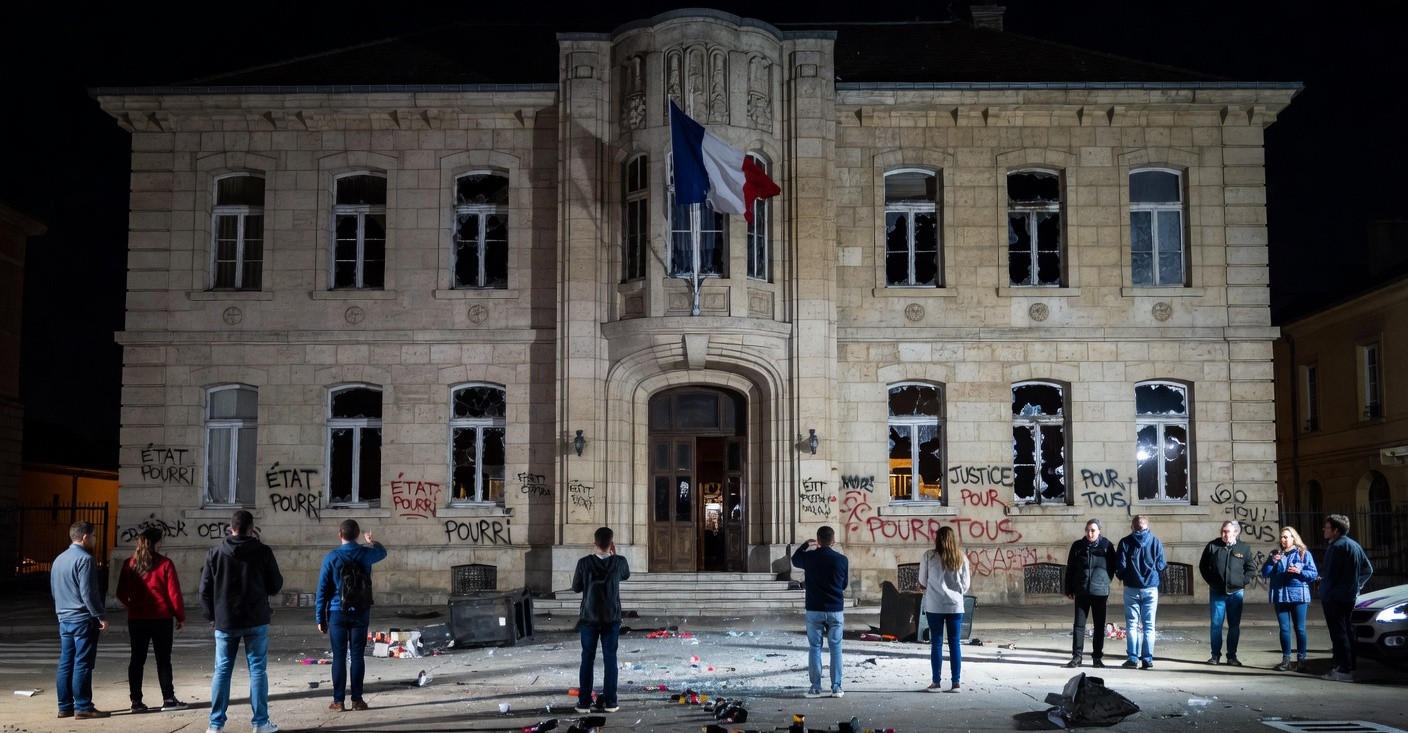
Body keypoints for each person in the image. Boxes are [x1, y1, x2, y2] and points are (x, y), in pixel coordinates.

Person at [199, 510, 284, 733]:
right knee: (257, 670)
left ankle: (216, 725)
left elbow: (204, 591)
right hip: (255, 617)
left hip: (225, 620)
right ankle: (260, 722)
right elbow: (275, 585)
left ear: (231, 527)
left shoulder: (215, 553)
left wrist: (213, 616)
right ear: (251, 528)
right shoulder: (263, 551)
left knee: (222, 671)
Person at [315, 519, 387, 712]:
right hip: (361, 612)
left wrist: (320, 618)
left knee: (338, 657)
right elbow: (383, 552)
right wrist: (371, 541)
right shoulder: (366, 553)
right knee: (357, 656)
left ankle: (338, 701)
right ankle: (357, 700)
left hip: (337, 612)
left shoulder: (331, 558)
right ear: (357, 535)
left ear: (340, 535)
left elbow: (322, 590)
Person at [116, 526, 189, 712]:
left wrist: (132, 605)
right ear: (157, 542)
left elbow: (120, 592)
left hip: (137, 619)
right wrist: (180, 616)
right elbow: (174, 594)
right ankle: (168, 699)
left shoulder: (129, 564)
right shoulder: (165, 564)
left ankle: (136, 701)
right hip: (161, 618)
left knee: (137, 660)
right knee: (163, 659)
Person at [51, 521, 110, 719]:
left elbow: (54, 590)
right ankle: (83, 706)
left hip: (64, 618)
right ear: (84, 537)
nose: (94, 540)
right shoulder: (85, 559)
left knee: (66, 661)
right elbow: (89, 593)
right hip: (83, 618)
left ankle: (64, 705)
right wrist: (100, 615)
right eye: (93, 536)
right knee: (83, 662)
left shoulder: (59, 559)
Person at [571, 526, 630, 714]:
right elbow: (625, 575)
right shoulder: (619, 562)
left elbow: (576, 587)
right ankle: (611, 702)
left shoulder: (584, 563)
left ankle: (584, 702)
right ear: (611, 544)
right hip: (611, 617)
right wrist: (615, 554)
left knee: (587, 659)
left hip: (589, 617)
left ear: (594, 542)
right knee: (610, 659)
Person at [792, 525, 849, 698]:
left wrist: (804, 545)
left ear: (818, 541)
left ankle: (815, 686)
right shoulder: (842, 559)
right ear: (832, 541)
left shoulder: (809, 557)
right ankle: (836, 687)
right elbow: (844, 585)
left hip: (814, 609)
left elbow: (795, 560)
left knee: (815, 647)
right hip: (835, 609)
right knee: (836, 648)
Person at [1319, 513, 1373, 682]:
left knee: (1338, 634)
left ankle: (1343, 669)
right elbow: (1368, 569)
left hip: (1335, 598)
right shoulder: (1354, 545)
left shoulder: (1336, 547)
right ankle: (1350, 666)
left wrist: (1323, 592)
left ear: (1335, 530)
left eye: (1327, 527)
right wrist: (1357, 586)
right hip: (1349, 596)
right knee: (1347, 632)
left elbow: (1330, 576)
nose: (1324, 530)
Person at [918, 525, 971, 692]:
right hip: (955, 606)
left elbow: (922, 581)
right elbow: (966, 584)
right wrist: (956, 592)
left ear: (937, 539)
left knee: (937, 644)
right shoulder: (961, 557)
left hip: (935, 605)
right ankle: (956, 683)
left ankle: (936, 682)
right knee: (955, 644)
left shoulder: (929, 556)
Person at [1198, 520, 1257, 666]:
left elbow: (1251, 569)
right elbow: (1203, 566)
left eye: (1227, 531)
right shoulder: (1213, 546)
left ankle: (1232, 656)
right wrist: (1212, 581)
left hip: (1236, 593)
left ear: (1236, 533)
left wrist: (1242, 581)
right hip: (1217, 592)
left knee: (1234, 625)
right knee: (1216, 625)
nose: (1224, 534)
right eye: (1222, 531)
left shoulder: (1243, 548)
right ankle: (1215, 656)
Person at [1262, 525, 1318, 671]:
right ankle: (1286, 659)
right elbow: (1265, 573)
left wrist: (1300, 572)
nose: (1283, 539)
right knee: (1284, 629)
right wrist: (1271, 562)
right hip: (1280, 595)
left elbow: (1313, 573)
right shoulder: (1275, 553)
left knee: (1300, 628)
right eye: (1282, 537)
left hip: (1298, 594)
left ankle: (1301, 660)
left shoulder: (1302, 553)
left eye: (1286, 537)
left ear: (1294, 538)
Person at [1063, 518, 1116, 668]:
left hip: (1100, 592)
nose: (1090, 533)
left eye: (1093, 530)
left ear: (1099, 531)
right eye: (1088, 530)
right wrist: (1069, 588)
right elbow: (1071, 569)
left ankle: (1097, 657)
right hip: (1082, 591)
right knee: (1079, 625)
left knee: (1099, 626)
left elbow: (1112, 567)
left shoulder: (1106, 546)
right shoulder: (1078, 546)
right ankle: (1077, 657)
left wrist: (1104, 581)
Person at [1115, 514, 1166, 669]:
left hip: (1131, 587)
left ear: (1132, 527)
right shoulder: (1155, 542)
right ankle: (1147, 659)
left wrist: (1124, 576)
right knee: (1149, 626)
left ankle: (1132, 658)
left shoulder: (1125, 542)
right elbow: (1162, 565)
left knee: (1132, 624)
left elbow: (1121, 566)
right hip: (1150, 587)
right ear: (1147, 526)